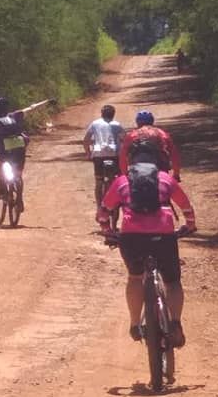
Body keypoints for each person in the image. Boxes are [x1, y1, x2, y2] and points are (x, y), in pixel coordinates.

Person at [97, 163, 196, 347]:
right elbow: (186, 206)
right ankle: (175, 323)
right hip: (163, 236)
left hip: (132, 238)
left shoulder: (121, 181)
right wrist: (189, 225)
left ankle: (135, 325)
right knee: (172, 281)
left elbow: (104, 211)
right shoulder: (166, 179)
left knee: (135, 278)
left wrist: (107, 229)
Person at [0, 96, 56, 212]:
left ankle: (2, 188)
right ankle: (19, 199)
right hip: (19, 148)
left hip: (5, 150)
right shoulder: (14, 116)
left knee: (1, 165)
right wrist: (47, 101)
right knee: (18, 175)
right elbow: (32, 108)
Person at [83, 104, 125, 208]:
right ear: (113, 115)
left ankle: (98, 206)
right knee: (117, 179)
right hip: (114, 154)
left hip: (98, 154)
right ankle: (116, 201)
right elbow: (125, 139)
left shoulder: (95, 123)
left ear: (102, 114)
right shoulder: (117, 124)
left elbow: (86, 140)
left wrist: (88, 153)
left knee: (99, 181)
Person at [119, 110, 181, 180]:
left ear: (137, 122)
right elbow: (173, 154)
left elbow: (123, 155)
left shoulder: (132, 135)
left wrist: (125, 174)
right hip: (160, 169)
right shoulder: (161, 133)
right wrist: (176, 174)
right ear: (152, 121)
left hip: (137, 169)